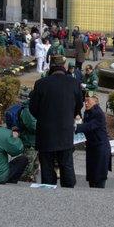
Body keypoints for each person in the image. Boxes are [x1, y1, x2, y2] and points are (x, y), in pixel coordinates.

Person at [29, 55, 82, 188]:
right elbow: (79, 105)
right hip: (65, 130)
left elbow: (33, 108)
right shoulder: (74, 83)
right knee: (66, 164)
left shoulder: (41, 83)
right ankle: (68, 191)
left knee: (46, 165)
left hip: (46, 131)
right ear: (64, 66)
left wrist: (44, 118)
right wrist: (69, 116)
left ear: (51, 66)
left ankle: (48, 191)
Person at [75, 93, 112, 188]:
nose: (86, 103)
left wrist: (75, 127)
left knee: (99, 177)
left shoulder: (98, 113)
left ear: (95, 102)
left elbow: (89, 126)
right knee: (91, 176)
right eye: (85, 100)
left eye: (88, 101)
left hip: (100, 149)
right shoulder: (88, 111)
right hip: (92, 147)